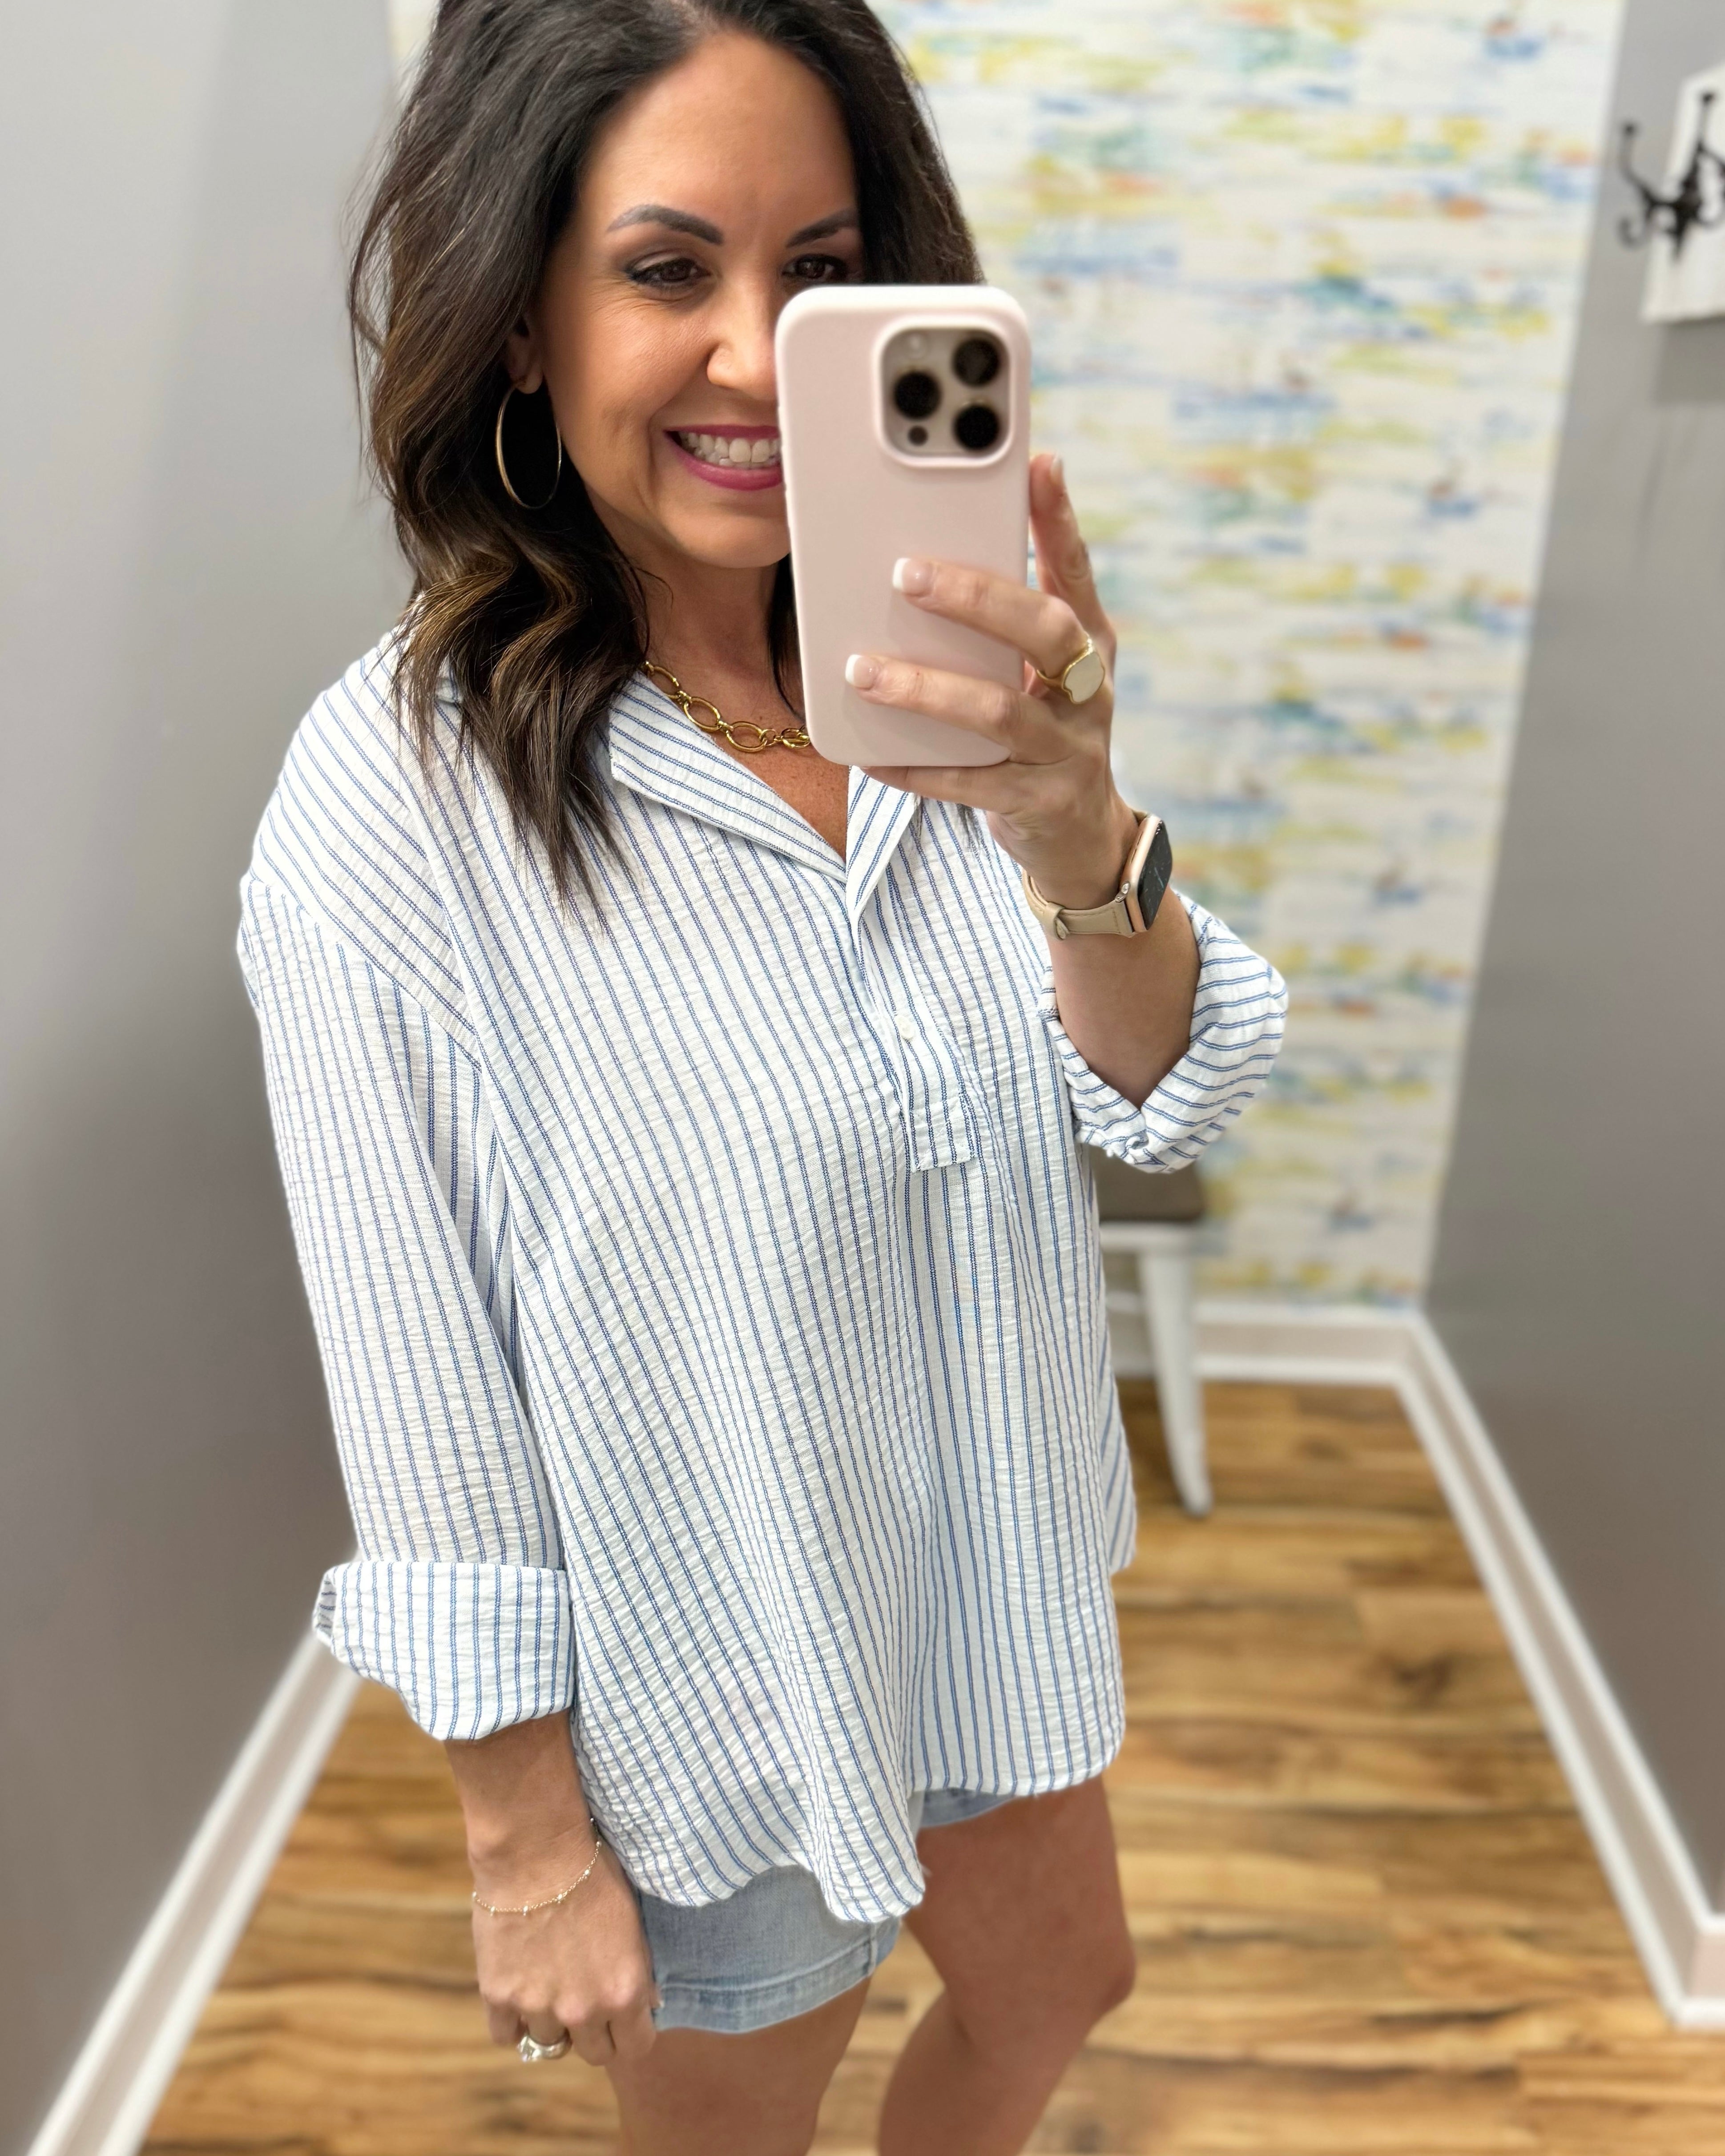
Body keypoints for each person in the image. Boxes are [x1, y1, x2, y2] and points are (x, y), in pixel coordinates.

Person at [238, 2, 1286, 2149]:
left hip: (985, 1590)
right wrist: (523, 1836)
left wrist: (1075, 829)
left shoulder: (935, 669)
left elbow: (1165, 1094)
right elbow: (418, 1372)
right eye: (665, 269)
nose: (753, 356)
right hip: (719, 1670)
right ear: (517, 319)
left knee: (1061, 1985)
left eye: (821, 275)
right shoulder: (393, 807)